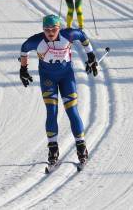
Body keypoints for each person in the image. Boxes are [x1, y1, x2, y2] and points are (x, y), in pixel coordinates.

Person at [19, 14, 98, 167]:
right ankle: (53, 149)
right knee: (52, 111)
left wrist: (91, 55)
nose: (50, 32)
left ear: (59, 28)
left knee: (72, 111)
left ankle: (81, 147)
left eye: (53, 29)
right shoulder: (37, 40)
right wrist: (23, 68)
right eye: (46, 29)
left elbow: (82, 36)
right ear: (43, 29)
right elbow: (24, 49)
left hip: (66, 77)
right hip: (48, 78)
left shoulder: (68, 35)